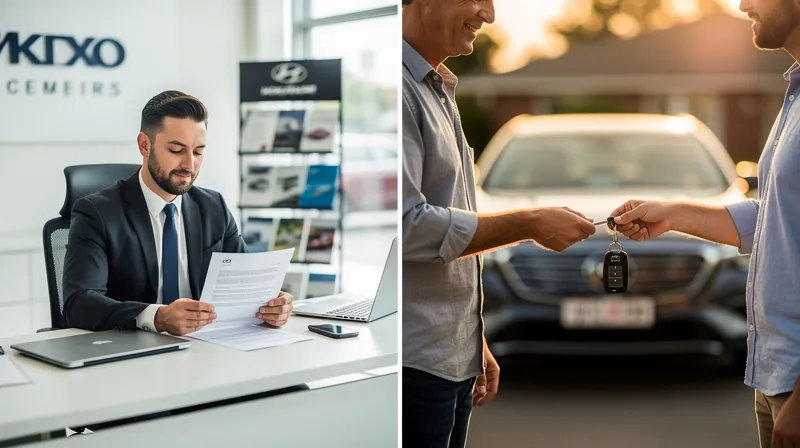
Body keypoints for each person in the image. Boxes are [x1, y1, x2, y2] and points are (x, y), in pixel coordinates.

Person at [401, 1, 597, 446]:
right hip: (415, 367)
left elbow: (448, 230)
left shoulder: (436, 87)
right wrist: (529, 222)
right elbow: (410, 225)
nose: (488, 15)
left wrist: (475, 339)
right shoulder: (398, 91)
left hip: (449, 357)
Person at [610, 1, 800, 446]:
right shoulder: (794, 94)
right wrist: (672, 214)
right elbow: (776, 218)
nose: (743, 4)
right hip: (776, 376)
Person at [63, 90, 293, 335]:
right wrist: (157, 317)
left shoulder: (213, 206)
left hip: (205, 350)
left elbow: (247, 285)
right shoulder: (97, 212)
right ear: (144, 145)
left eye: (197, 152)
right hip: (130, 351)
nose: (189, 165)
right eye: (176, 150)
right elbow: (79, 302)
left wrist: (272, 305)